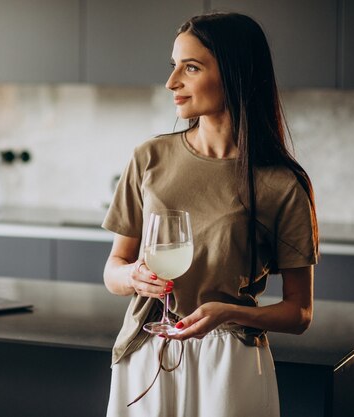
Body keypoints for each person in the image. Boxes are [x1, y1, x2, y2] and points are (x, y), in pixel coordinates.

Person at [102, 12, 319, 417]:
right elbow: (113, 269)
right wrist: (132, 276)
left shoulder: (282, 184)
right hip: (147, 353)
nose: (172, 83)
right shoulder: (149, 158)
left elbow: (300, 313)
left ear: (235, 74)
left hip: (229, 363)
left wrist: (230, 312)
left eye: (191, 68)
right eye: (173, 66)